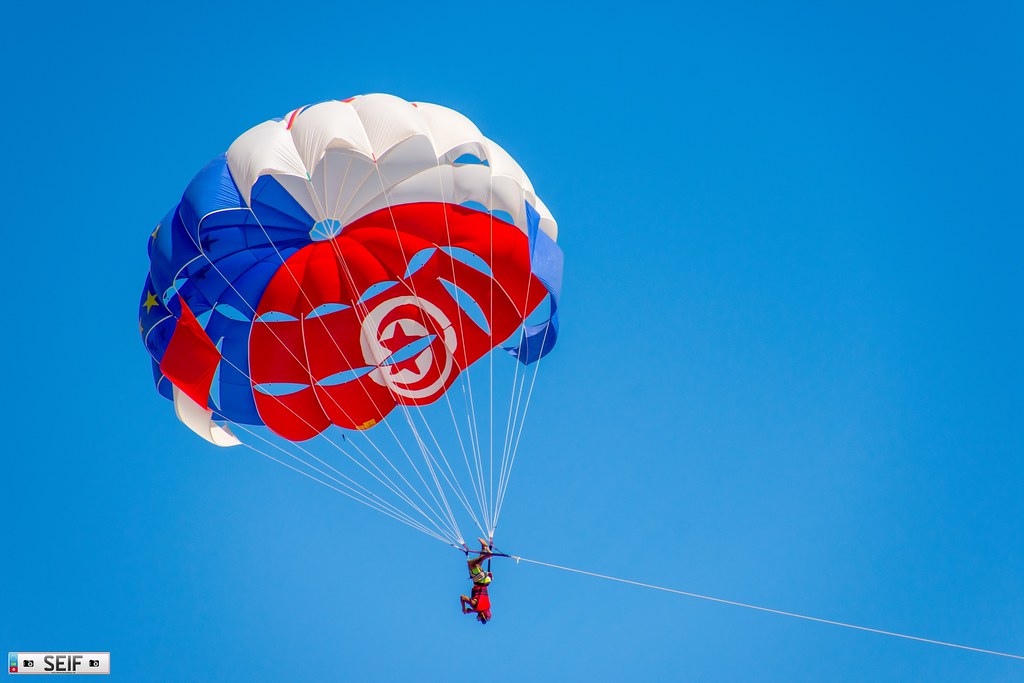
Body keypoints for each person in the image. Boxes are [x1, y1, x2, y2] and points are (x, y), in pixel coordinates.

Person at [460, 537, 494, 624]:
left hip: (486, 581)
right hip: (480, 580)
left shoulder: (485, 607)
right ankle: (487, 555)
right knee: (471, 564)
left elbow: (476, 609)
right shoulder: (476, 606)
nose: (478, 619)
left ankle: (484, 548)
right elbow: (462, 597)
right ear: (482, 615)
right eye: (480, 619)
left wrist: (470, 611)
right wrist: (463, 609)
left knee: (476, 565)